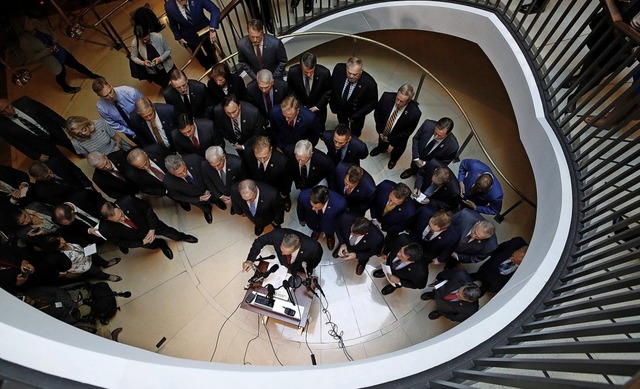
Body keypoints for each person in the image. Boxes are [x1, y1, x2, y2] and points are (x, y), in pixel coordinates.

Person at [15, 15, 99, 94]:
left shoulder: (35, 22)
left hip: (59, 50)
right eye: (27, 22)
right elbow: (33, 57)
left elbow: (49, 29)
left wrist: (54, 38)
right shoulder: (24, 42)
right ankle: (66, 88)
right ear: (23, 28)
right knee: (61, 73)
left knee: (75, 64)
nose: (31, 22)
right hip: (49, 58)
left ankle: (92, 75)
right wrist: (46, 51)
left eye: (28, 20)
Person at [99, 196, 198, 259]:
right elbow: (121, 242)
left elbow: (147, 209)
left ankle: (183, 237)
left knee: (169, 232)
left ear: (117, 206)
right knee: (152, 245)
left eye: (121, 214)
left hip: (150, 225)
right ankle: (162, 245)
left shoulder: (129, 200)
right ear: (108, 220)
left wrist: (152, 229)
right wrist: (142, 242)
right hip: (139, 238)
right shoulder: (106, 229)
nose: (122, 219)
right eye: (118, 220)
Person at [0, 96, 75, 157]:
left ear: (8, 101)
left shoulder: (25, 102)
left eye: (7, 107)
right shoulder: (3, 127)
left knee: (68, 143)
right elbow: (18, 144)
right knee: (59, 158)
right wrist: (37, 156)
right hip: (41, 144)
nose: (8, 111)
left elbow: (48, 112)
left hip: (51, 130)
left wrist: (66, 125)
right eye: (3, 111)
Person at [371, 83, 422, 169]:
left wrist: (390, 139)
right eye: (397, 98)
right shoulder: (387, 97)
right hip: (383, 131)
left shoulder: (415, 113)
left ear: (408, 101)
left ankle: (393, 159)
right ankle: (381, 149)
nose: (398, 102)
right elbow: (377, 113)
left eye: (402, 101)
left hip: (399, 138)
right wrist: (380, 131)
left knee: (397, 150)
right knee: (382, 142)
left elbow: (407, 132)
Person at [329, 56, 378, 137]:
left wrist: (358, 115)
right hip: (340, 110)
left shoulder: (369, 84)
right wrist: (333, 104)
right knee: (342, 126)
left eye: (355, 74)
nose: (351, 76)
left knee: (355, 132)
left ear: (361, 71)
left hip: (356, 115)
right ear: (346, 68)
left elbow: (372, 103)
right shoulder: (338, 69)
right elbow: (332, 87)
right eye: (349, 73)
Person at [164, 154, 220, 224]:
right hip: (193, 197)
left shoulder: (195, 159)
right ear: (172, 173)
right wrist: (198, 199)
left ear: (183, 162)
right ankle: (207, 211)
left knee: (215, 197)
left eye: (184, 169)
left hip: (207, 187)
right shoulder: (168, 182)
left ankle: (217, 202)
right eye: (179, 174)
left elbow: (208, 173)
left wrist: (208, 188)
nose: (184, 174)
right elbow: (179, 197)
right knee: (203, 206)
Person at [164, 0, 220, 70]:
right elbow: (173, 25)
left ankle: (215, 67)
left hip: (204, 31)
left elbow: (214, 10)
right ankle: (207, 68)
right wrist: (179, 37)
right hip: (189, 36)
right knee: (199, 56)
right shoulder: (169, 7)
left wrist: (212, 29)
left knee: (211, 51)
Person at [242, 136, 292, 212]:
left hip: (274, 187)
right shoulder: (247, 153)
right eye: (258, 157)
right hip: (257, 184)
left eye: (265, 157)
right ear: (254, 150)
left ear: (271, 149)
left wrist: (284, 194)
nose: (262, 160)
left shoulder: (283, 162)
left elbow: (287, 181)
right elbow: (245, 171)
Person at [42, 236, 121, 282]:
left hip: (86, 253)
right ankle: (108, 277)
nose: (63, 241)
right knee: (97, 271)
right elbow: (69, 269)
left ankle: (106, 264)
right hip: (82, 265)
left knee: (98, 258)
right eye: (59, 243)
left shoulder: (67, 238)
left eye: (60, 239)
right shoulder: (60, 258)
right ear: (56, 248)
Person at [243, 228, 323, 273]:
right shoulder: (277, 235)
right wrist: (250, 260)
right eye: (282, 250)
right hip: (285, 264)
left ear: (296, 248)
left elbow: (313, 263)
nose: (282, 253)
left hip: (301, 268)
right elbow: (259, 241)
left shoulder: (314, 248)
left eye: (286, 252)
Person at [287, 51, 332, 128]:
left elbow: (328, 91)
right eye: (306, 72)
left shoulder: (324, 73)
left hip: (318, 107)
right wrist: (299, 106)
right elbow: (291, 91)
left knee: (318, 127)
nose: (308, 74)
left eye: (311, 72)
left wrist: (317, 107)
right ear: (301, 66)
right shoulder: (292, 72)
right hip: (300, 106)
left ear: (315, 65)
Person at [297, 185, 347, 250]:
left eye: (317, 207)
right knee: (315, 228)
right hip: (312, 220)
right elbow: (300, 208)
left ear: (325, 202)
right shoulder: (303, 195)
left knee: (329, 232)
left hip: (330, 225)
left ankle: (329, 236)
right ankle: (316, 232)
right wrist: (301, 219)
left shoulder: (340, 203)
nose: (313, 208)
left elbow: (340, 219)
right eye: (312, 205)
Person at [370, 180, 416, 247]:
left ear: (404, 200)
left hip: (390, 227)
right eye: (390, 199)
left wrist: (383, 227)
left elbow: (399, 227)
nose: (391, 203)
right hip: (378, 214)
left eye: (395, 203)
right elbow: (374, 200)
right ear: (391, 190)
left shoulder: (409, 212)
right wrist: (374, 217)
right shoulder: (384, 186)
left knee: (390, 238)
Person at [65, 116, 132, 157]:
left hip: (117, 148)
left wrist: (117, 148)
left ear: (85, 123)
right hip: (105, 159)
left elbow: (117, 138)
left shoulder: (100, 124)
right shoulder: (75, 142)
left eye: (83, 129)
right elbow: (89, 156)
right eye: (78, 134)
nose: (83, 133)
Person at [202, 146, 241, 211]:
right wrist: (220, 196)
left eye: (218, 164)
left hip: (234, 191)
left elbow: (242, 181)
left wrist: (235, 193)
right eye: (213, 166)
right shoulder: (205, 165)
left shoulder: (237, 163)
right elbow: (208, 181)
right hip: (219, 191)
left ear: (223, 156)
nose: (217, 168)